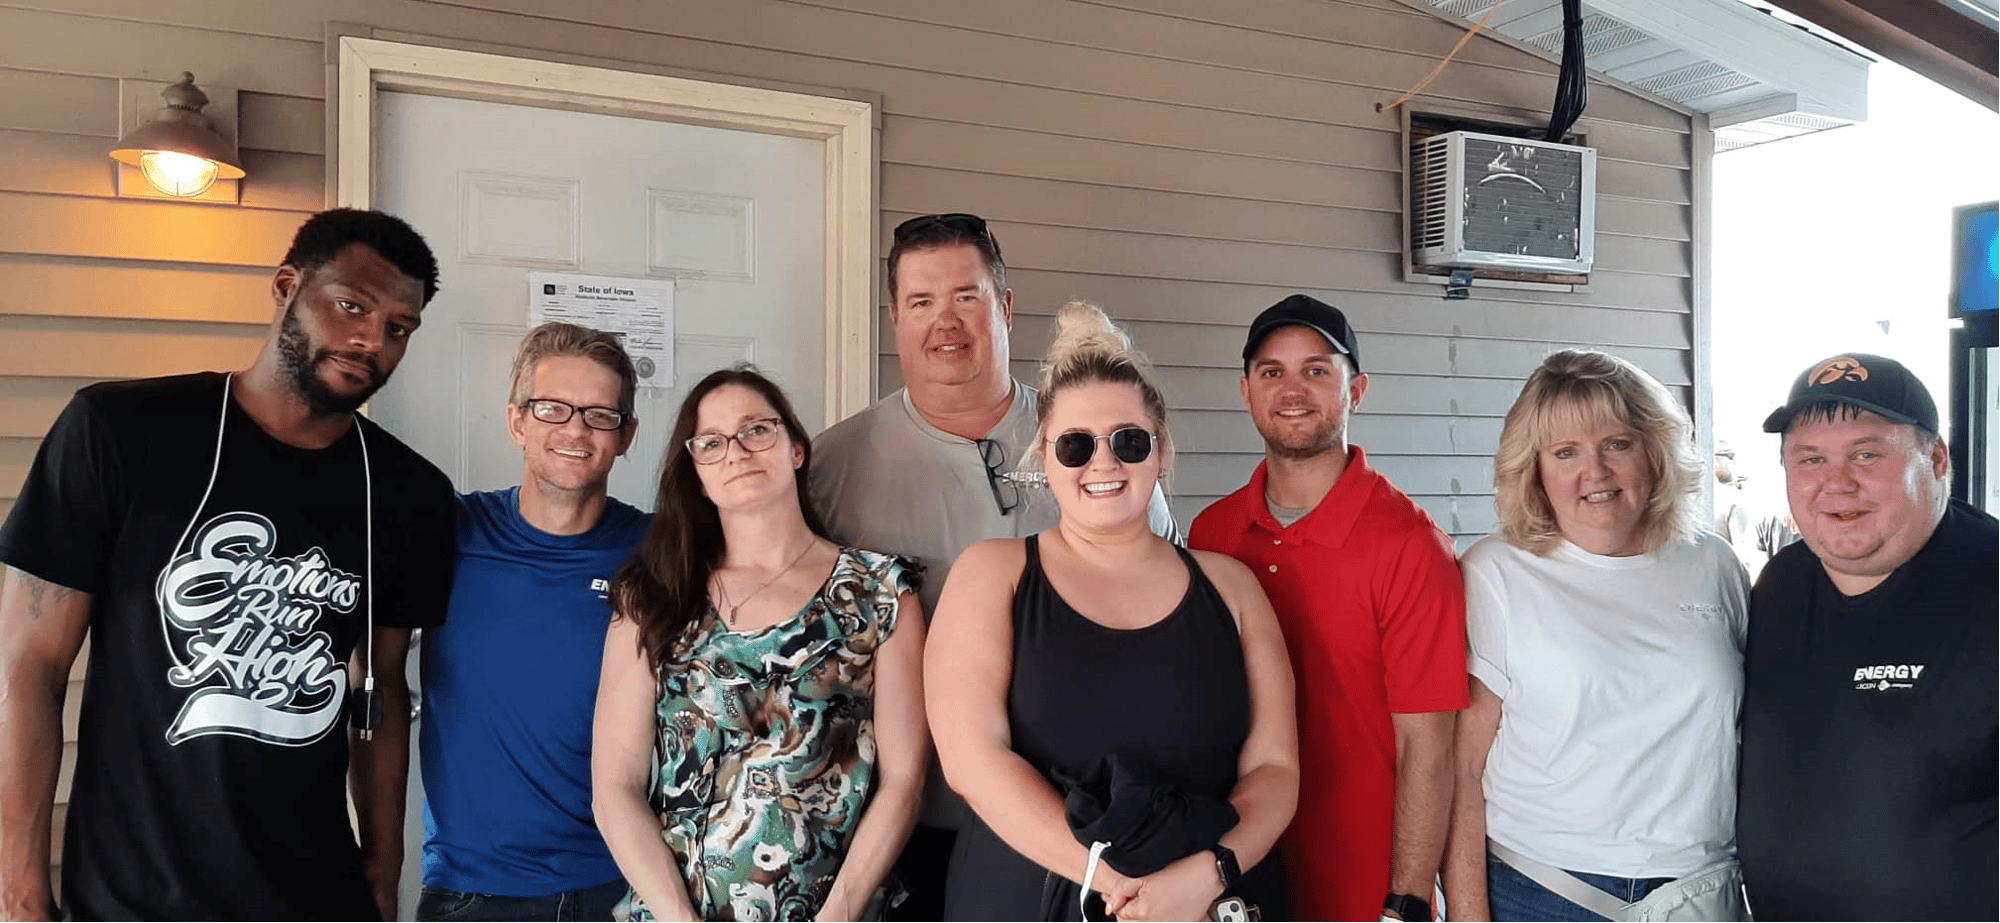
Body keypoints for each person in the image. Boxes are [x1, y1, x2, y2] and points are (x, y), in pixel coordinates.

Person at [0, 208, 457, 922]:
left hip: (314, 897)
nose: (371, 337)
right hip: (134, 897)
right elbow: (28, 664)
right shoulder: (121, 432)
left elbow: (383, 690)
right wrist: (19, 892)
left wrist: (383, 865)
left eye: (399, 327)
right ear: (285, 287)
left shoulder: (407, 493)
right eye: (350, 305)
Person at [809, 211, 1177, 918]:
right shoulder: (832, 469)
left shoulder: (1093, 444)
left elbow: (1164, 597)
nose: (944, 321)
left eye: (966, 296)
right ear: (895, 318)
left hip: (1078, 824)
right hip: (904, 822)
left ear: (1005, 307)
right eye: (921, 302)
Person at [929, 301, 1298, 923]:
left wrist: (1208, 874)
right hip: (1032, 898)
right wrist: (1114, 879)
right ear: (1044, 458)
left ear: (1161, 453)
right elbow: (972, 759)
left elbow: (1275, 768)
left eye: (1128, 441)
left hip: (1207, 902)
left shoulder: (1231, 588)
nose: (1103, 463)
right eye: (1076, 445)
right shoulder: (992, 575)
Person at [593, 366, 927, 922]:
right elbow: (614, 788)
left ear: (796, 448)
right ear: (696, 473)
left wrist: (837, 916)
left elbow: (905, 780)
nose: (737, 452)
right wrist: (680, 917)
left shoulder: (880, 592)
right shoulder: (651, 597)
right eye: (712, 442)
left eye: (756, 430)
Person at [1439, 349, 1749, 923]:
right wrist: (1467, 915)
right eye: (1565, 453)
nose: (1596, 473)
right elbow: (1461, 770)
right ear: (1533, 468)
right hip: (1541, 891)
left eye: (1617, 444)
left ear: (1653, 450)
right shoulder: (1495, 573)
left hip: (1699, 889)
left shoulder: (1714, 565)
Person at [1189, 294, 1464, 923]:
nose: (1293, 390)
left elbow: (1429, 749)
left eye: (1317, 370)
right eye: (1272, 372)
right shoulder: (1213, 534)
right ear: (1246, 391)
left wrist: (1408, 900)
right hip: (1239, 870)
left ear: (1356, 389)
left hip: (1363, 881)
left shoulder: (1408, 545)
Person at [1737, 353, 1998, 921]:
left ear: (1934, 458)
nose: (1837, 482)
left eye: (1866, 454)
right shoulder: (1778, 586)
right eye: (1810, 459)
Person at [415, 323, 649, 920]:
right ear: (517, 421)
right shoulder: (449, 534)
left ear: (626, 436)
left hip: (623, 884)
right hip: (471, 892)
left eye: (600, 414)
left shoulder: (662, 553)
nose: (575, 429)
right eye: (552, 409)